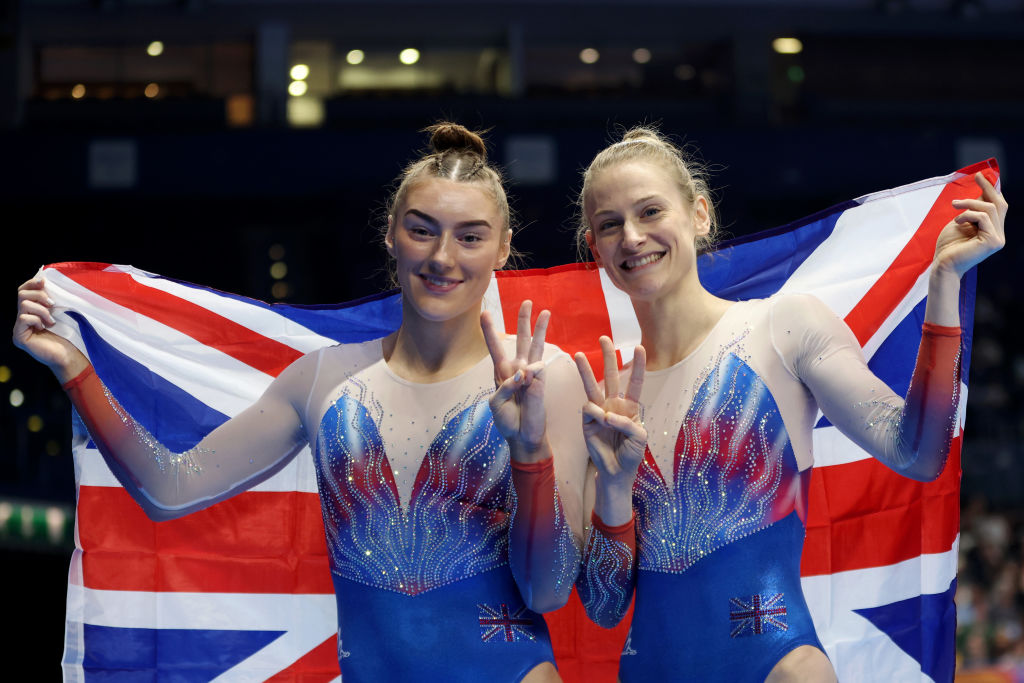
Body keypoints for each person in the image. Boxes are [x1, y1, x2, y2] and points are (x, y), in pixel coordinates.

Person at [13, 123, 589, 683]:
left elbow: (548, 589)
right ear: (390, 232)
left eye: (470, 236)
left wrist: (529, 450)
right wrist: (75, 371)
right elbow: (171, 489)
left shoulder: (544, 378)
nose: (443, 257)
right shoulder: (323, 378)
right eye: (422, 230)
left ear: (503, 247)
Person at [570, 127, 1007, 682]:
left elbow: (918, 453)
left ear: (699, 214)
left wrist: (944, 281)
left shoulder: (781, 327)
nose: (632, 236)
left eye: (650, 211)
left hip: (778, 669)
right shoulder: (609, 400)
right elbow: (605, 608)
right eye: (611, 224)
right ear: (595, 248)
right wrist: (612, 487)